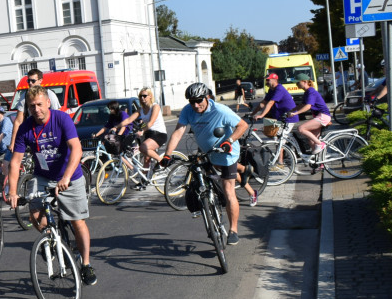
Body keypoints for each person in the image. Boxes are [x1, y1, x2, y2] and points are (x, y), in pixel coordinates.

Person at [7, 85, 96, 285]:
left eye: (39, 104)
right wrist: (12, 191)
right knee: (35, 216)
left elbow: (76, 149)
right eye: (31, 106)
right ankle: (52, 240)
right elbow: (15, 162)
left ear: (48, 102)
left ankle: (86, 264)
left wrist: (66, 177)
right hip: (43, 176)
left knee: (77, 221)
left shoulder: (61, 119)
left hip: (70, 176)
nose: (36, 109)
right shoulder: (25, 128)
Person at [162, 83, 250, 246]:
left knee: (228, 190)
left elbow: (242, 125)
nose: (195, 105)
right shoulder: (188, 110)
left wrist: (229, 141)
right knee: (198, 179)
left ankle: (233, 231)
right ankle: (212, 198)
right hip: (207, 152)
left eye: (199, 100)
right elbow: (178, 132)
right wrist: (167, 155)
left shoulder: (220, 111)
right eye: (191, 101)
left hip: (226, 153)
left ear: (207, 97)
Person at [8, 68, 62, 154]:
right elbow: (18, 121)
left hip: (49, 132)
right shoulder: (24, 97)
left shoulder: (49, 94)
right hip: (33, 132)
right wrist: (13, 142)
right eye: (28, 81)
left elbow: (58, 116)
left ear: (40, 80)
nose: (30, 83)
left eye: (33, 81)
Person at [251, 72, 298, 165]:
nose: (267, 82)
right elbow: (263, 103)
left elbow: (271, 103)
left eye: (268, 80)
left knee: (279, 139)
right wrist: (253, 113)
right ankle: (286, 150)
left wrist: (261, 115)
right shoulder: (271, 90)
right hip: (281, 118)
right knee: (274, 135)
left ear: (275, 80)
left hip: (289, 117)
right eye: (266, 80)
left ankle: (280, 162)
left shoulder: (279, 89)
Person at [125, 87, 167, 182]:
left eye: (144, 96)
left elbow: (151, 122)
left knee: (143, 148)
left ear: (150, 96)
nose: (142, 98)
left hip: (159, 134)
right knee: (146, 159)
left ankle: (162, 162)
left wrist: (142, 131)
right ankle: (143, 181)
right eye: (140, 96)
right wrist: (116, 127)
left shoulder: (155, 107)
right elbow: (129, 120)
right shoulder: (141, 109)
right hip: (149, 134)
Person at [286, 74, 331, 154]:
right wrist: (291, 110)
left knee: (301, 128)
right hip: (319, 116)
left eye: (298, 82)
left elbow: (307, 106)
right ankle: (320, 164)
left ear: (305, 82)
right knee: (311, 140)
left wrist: (295, 113)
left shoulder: (311, 91)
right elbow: (302, 105)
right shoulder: (307, 92)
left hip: (323, 116)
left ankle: (321, 144)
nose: (296, 84)